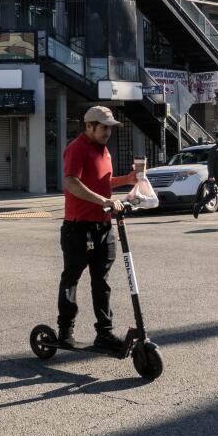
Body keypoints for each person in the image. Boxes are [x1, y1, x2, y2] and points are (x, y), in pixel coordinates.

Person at [57, 106, 139, 350]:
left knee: (101, 282)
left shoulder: (104, 151)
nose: (108, 133)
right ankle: (65, 330)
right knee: (71, 278)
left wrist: (127, 179)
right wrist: (104, 201)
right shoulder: (77, 148)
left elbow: (103, 182)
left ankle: (104, 333)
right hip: (78, 227)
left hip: (103, 226)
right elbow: (72, 182)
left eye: (110, 128)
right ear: (89, 126)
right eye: (103, 127)